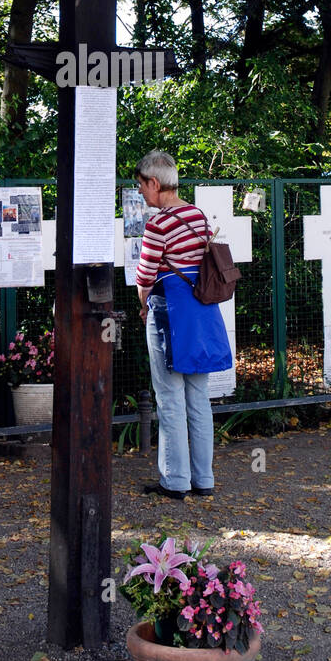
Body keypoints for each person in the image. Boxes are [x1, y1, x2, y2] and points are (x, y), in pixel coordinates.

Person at [134, 150, 232, 501]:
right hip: (202, 313)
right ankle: (203, 479)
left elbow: (144, 276)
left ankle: (175, 481)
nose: (141, 193)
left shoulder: (158, 224)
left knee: (169, 398)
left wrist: (144, 305)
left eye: (142, 186)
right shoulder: (197, 214)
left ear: (155, 182)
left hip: (169, 314)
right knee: (198, 397)